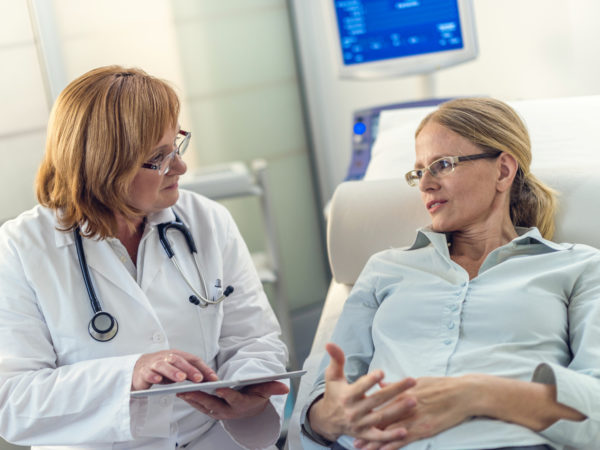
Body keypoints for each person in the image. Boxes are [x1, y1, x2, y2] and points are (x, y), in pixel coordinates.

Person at [0, 65, 289, 449]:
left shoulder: (206, 220)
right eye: (159, 157)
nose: (182, 167)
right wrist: (129, 374)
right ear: (104, 165)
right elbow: (13, 400)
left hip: (213, 439)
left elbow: (252, 337)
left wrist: (249, 391)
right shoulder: (19, 249)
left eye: (177, 146)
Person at [300, 98, 600, 450]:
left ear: (503, 171)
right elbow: (324, 403)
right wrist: (327, 417)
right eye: (418, 172)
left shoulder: (578, 267)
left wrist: (476, 394)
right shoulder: (385, 268)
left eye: (442, 165)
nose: (425, 184)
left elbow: (594, 407)